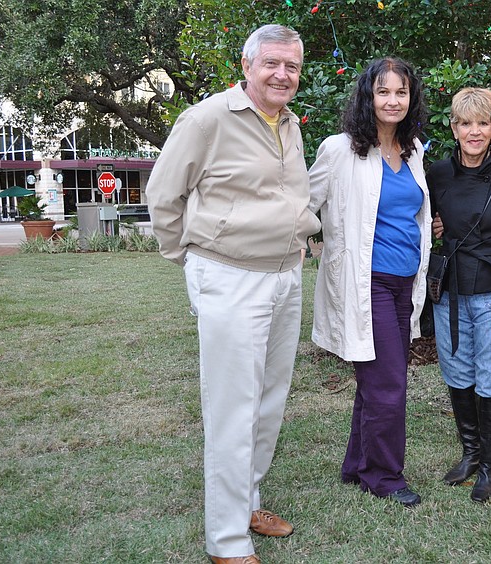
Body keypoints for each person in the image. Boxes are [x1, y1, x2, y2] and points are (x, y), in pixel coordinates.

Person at [146, 25, 321, 564]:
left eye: (292, 66)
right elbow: (163, 196)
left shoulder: (289, 123)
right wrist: (192, 260)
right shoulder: (206, 120)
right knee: (232, 408)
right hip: (229, 276)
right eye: (272, 63)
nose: (282, 75)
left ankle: (247, 503)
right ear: (246, 66)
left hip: (284, 275)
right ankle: (226, 541)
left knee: (268, 401)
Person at [308, 57, 431, 507]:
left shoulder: (414, 149)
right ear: (368, 96)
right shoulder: (340, 150)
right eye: (383, 92)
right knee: (388, 382)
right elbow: (304, 203)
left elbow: (412, 211)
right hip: (366, 283)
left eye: (401, 92)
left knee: (380, 376)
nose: (392, 101)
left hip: (404, 283)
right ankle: (383, 476)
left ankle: (357, 464)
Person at [425, 87, 491, 503]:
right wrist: (435, 227)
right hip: (450, 290)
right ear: (454, 128)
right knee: (457, 371)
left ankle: (490, 468)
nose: (474, 131)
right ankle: (471, 453)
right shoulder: (437, 174)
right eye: (466, 123)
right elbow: (429, 221)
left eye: (483, 123)